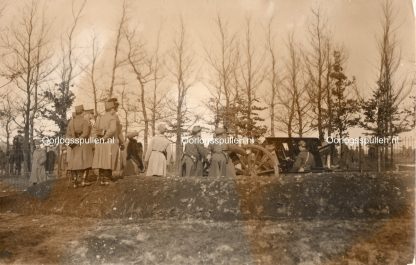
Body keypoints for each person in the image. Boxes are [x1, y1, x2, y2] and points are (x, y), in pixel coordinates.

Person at [92, 101, 124, 185]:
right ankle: (107, 179)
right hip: (110, 142)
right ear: (112, 109)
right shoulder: (112, 117)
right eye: (114, 109)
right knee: (109, 160)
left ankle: (102, 178)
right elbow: (113, 130)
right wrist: (105, 138)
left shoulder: (100, 118)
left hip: (100, 143)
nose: (115, 111)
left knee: (102, 159)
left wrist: (97, 139)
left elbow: (94, 129)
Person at [66, 105, 91, 188]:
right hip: (83, 143)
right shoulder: (85, 121)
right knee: (86, 160)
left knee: (74, 162)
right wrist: (79, 139)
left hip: (74, 144)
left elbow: (68, 135)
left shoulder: (71, 122)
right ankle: (84, 180)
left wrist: (73, 141)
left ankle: (75, 182)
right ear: (82, 112)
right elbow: (86, 133)